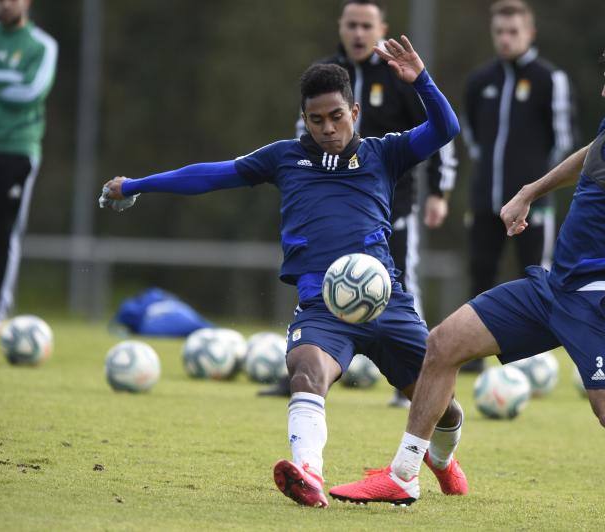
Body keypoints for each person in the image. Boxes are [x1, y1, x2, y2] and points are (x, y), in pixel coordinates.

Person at [328, 36, 605, 531]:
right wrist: (529, 191)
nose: (604, 92)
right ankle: (404, 474)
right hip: (553, 287)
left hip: (599, 301)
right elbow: (591, 155)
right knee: (442, 344)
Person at [101, 36, 468, 509]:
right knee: (306, 371)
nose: (327, 128)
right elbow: (211, 175)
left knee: (443, 403)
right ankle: (308, 473)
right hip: (322, 304)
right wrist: (136, 184)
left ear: (354, 111)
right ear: (304, 119)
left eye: (336, 116)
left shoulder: (385, 153)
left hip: (387, 302)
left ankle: (440, 459)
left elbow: (445, 128)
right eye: (316, 120)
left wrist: (422, 81)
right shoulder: (284, 158)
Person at [259, 0, 457, 406]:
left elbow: (441, 134)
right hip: (337, 212)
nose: (359, 33)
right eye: (352, 24)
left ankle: (408, 373)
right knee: (325, 291)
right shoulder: (323, 78)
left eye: (367, 25)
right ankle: (313, 362)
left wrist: (439, 190)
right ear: (341, 27)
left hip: (395, 204)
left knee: (399, 282)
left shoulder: (397, 79)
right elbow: (300, 147)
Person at [460, 0, 575, 372]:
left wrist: (534, 184)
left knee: (538, 276)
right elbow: (473, 139)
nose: (506, 39)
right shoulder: (479, 82)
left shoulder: (550, 79)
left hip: (533, 203)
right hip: (484, 201)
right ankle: (472, 357)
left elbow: (563, 142)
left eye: (513, 32)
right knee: (480, 272)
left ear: (530, 33)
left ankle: (537, 359)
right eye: (500, 32)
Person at [0, 0, 58, 335]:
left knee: (5, 233)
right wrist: (10, 77)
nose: (5, 3)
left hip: (16, 150)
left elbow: (31, 91)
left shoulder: (42, 46)